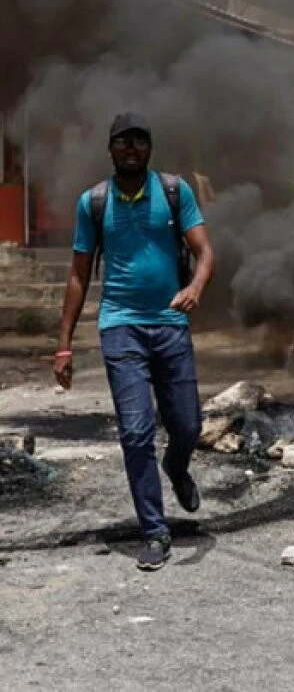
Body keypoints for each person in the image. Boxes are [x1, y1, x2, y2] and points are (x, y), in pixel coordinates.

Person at [55, 113, 215, 572]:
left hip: (170, 324)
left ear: (150, 149)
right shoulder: (94, 203)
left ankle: (177, 467)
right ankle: (154, 530)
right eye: (122, 141)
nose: (131, 148)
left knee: (187, 426)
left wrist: (196, 288)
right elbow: (78, 273)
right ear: (110, 149)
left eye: (140, 141)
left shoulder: (173, 191)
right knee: (135, 429)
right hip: (121, 326)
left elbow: (205, 251)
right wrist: (63, 345)